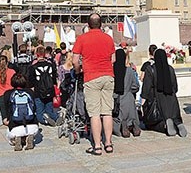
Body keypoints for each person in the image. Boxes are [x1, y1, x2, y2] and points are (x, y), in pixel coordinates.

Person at [72, 13, 116, 156]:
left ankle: (97, 146)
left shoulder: (82, 38)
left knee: (95, 113)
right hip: (108, 75)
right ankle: (108, 143)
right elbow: (113, 59)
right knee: (107, 111)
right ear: (101, 24)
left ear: (88, 24)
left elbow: (74, 60)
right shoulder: (108, 38)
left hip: (91, 76)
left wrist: (79, 70)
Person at [141, 49, 187, 136]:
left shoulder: (150, 69)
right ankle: (178, 123)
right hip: (172, 99)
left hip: (158, 99)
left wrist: (143, 99)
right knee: (175, 117)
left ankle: (165, 125)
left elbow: (146, 86)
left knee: (151, 123)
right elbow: (175, 86)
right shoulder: (170, 69)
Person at [1, 73, 39, 151]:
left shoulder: (7, 94)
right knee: (30, 130)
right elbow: (35, 108)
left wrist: (6, 118)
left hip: (15, 126)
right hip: (33, 126)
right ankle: (28, 137)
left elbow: (7, 109)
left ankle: (16, 139)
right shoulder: (31, 92)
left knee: (9, 135)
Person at [113, 48, 141, 138]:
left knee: (115, 117)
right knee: (132, 114)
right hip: (129, 97)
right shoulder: (129, 71)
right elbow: (136, 86)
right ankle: (133, 125)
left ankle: (122, 125)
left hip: (116, 97)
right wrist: (130, 91)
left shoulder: (112, 71)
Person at [31, 45, 62, 127]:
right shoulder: (51, 65)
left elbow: (30, 81)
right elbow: (54, 78)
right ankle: (55, 118)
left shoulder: (33, 67)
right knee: (50, 108)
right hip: (49, 89)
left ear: (37, 54)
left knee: (39, 111)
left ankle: (45, 120)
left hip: (38, 90)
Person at [0, 55, 16, 121]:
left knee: (5, 119)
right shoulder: (12, 72)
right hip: (12, 95)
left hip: (1, 96)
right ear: (7, 63)